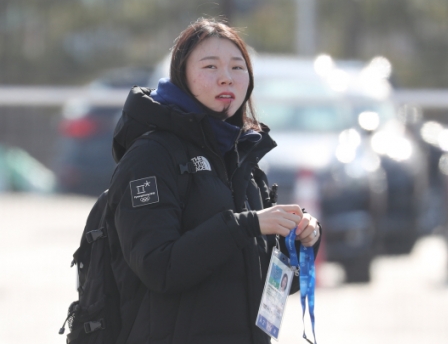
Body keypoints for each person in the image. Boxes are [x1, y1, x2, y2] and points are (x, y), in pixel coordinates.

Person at [105, 17, 322, 344]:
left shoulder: (241, 156)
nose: (226, 78)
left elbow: (269, 284)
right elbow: (159, 267)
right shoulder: (150, 156)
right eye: (210, 67)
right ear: (181, 77)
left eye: (237, 68)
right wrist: (248, 225)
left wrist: (301, 240)